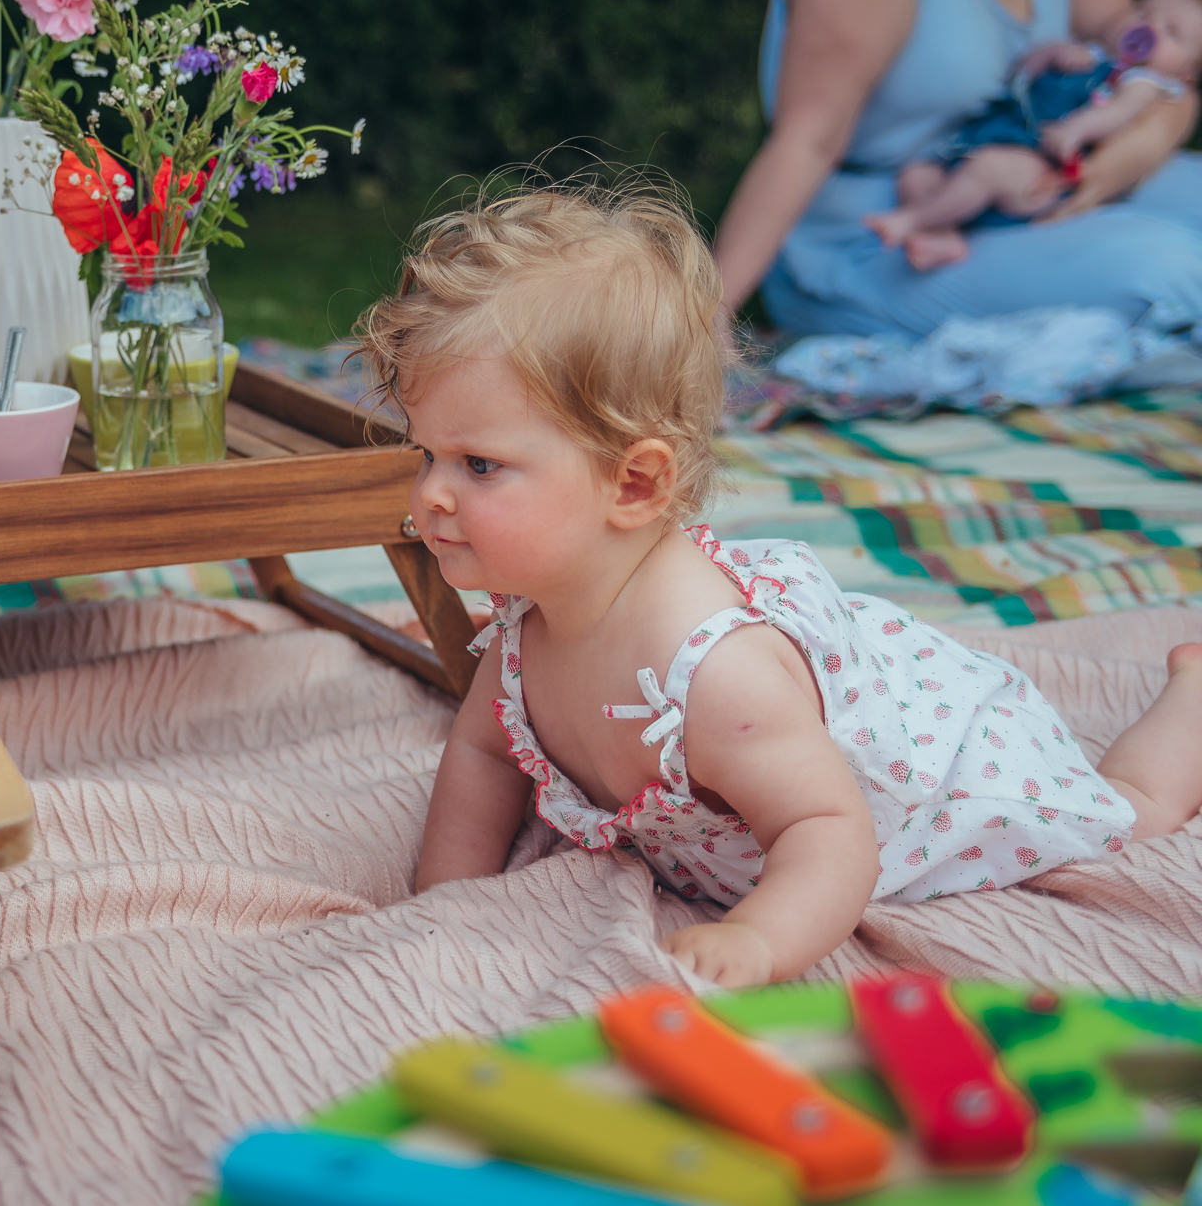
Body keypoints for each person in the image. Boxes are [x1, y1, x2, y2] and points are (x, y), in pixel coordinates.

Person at [359, 182, 1202, 987]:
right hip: (830, 707)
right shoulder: (528, 624)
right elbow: (484, 752)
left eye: (479, 464)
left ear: (635, 485)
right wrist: (443, 901)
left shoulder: (717, 679)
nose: (431, 493)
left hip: (944, 779)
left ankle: (1192, 700)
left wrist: (758, 938)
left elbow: (831, 829)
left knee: (1124, 811)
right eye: (426, 453)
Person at [711, 0, 1202, 337]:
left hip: (1011, 195)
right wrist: (703, 321)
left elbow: (1154, 68)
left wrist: (1137, 151)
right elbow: (806, 141)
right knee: (1170, 272)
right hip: (878, 239)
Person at [866, 0, 1202, 270]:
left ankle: (911, 221)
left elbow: (1114, 114)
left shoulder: (1143, 84)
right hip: (991, 139)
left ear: (1187, 71)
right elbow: (1023, 74)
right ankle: (942, 236)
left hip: (1045, 166)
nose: (1149, 28)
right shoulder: (1090, 53)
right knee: (917, 174)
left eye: (1171, 31)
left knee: (988, 170)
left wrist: (1076, 130)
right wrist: (1052, 53)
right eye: (1143, 13)